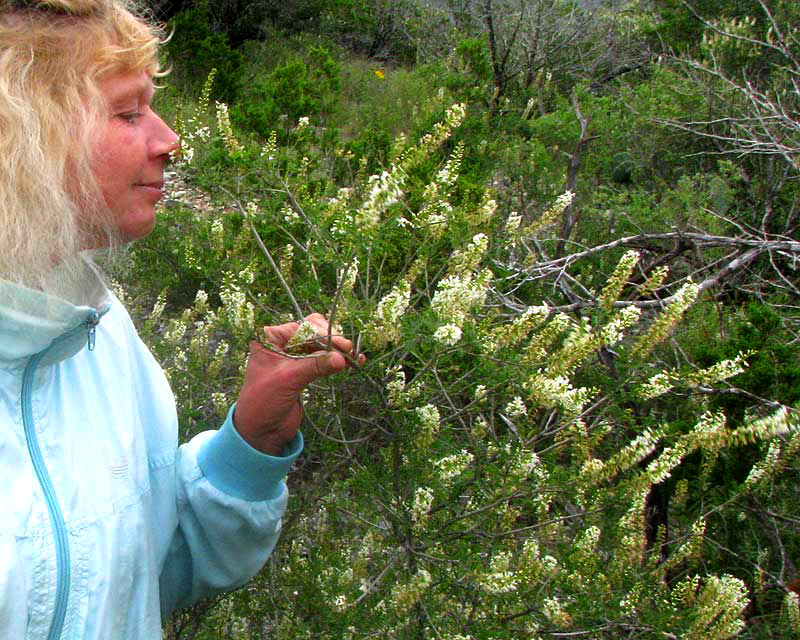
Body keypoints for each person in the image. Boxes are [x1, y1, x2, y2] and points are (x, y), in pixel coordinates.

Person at [0, 0, 358, 637]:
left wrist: (252, 440)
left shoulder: (100, 334)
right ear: (23, 137)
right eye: (129, 111)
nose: (168, 141)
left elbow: (138, 573)